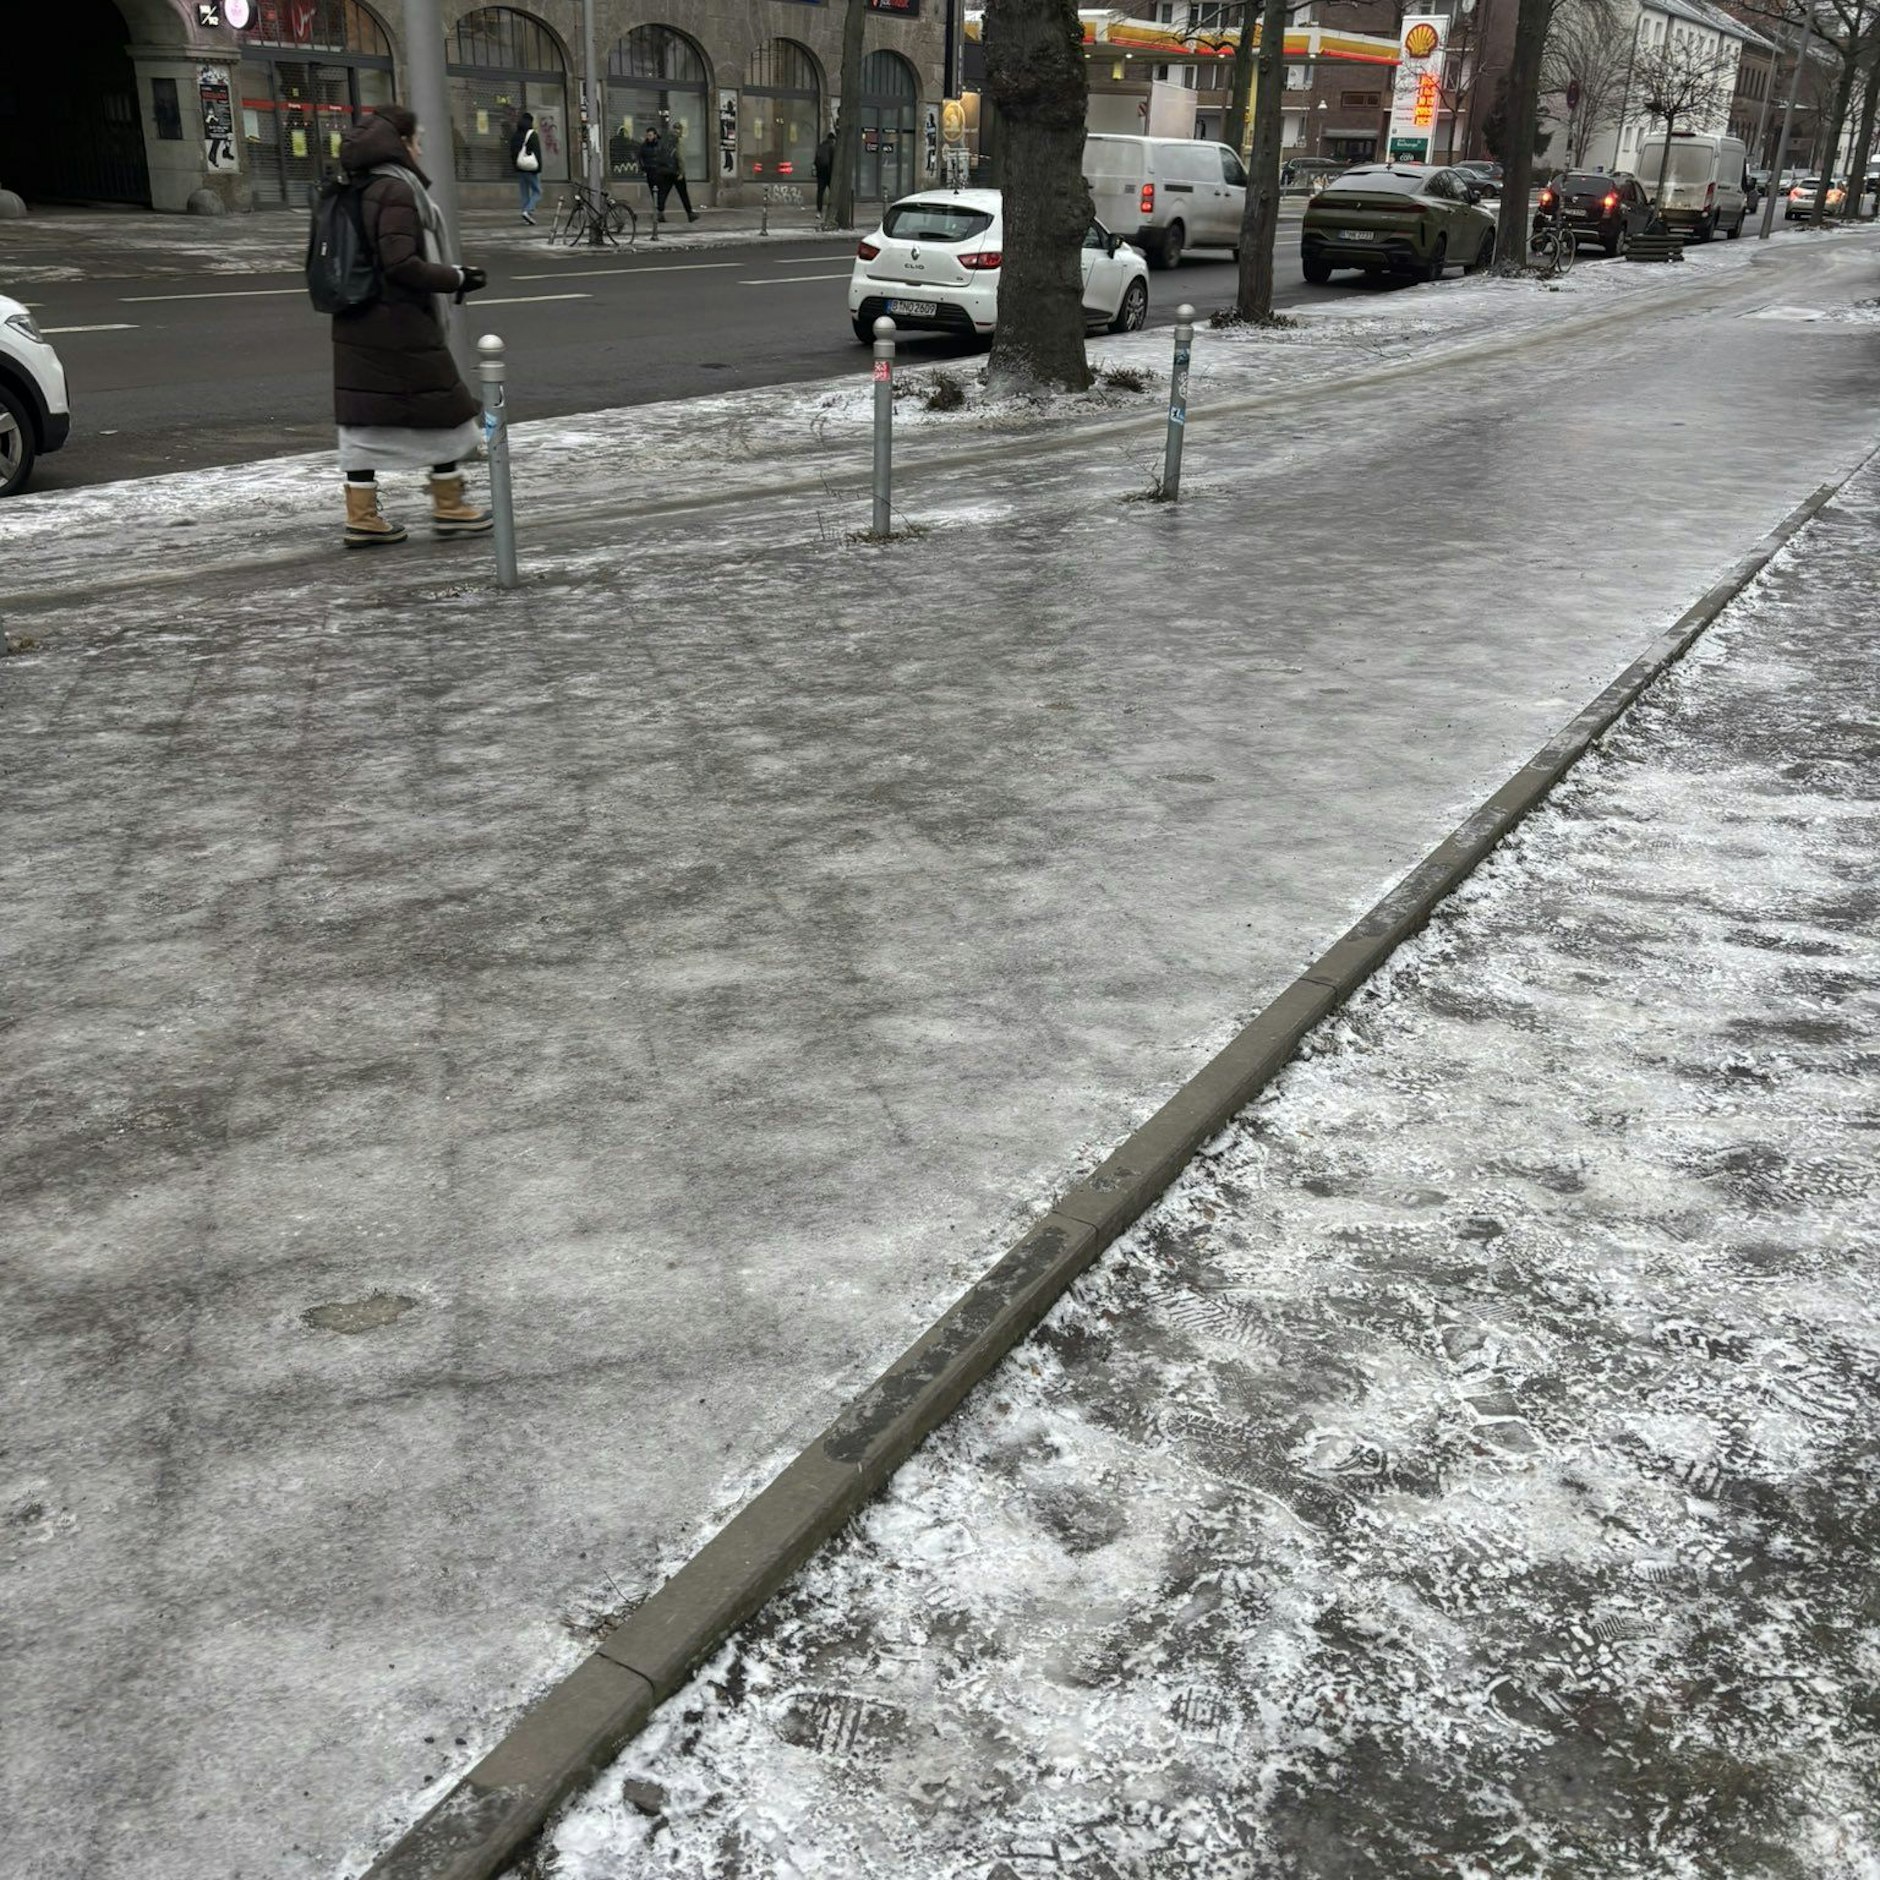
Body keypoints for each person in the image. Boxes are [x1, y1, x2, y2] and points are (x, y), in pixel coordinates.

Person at [331, 105, 493, 550]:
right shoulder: (395, 191)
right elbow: (401, 264)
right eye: (417, 141)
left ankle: (361, 515)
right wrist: (457, 276)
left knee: (364, 417)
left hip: (356, 320)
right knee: (445, 410)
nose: (420, 149)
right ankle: (451, 506)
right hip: (399, 324)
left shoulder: (353, 186)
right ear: (401, 143)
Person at [657, 116, 698, 223]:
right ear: (681, 130)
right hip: (676, 172)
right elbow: (681, 157)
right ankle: (690, 214)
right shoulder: (678, 141)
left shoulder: (666, 139)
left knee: (663, 192)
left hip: (666, 171)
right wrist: (681, 172)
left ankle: (660, 213)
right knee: (683, 193)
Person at [511, 111, 543, 224]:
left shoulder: (516, 135)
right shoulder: (532, 134)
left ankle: (526, 215)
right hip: (531, 168)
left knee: (524, 192)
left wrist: (516, 166)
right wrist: (538, 168)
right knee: (537, 191)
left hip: (520, 168)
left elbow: (513, 153)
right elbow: (537, 152)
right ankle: (528, 211)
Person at [814, 129, 837, 219]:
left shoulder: (821, 146)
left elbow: (816, 160)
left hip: (820, 174)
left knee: (820, 193)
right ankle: (831, 211)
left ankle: (819, 212)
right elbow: (833, 161)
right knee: (833, 193)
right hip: (829, 174)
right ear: (833, 140)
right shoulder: (832, 147)